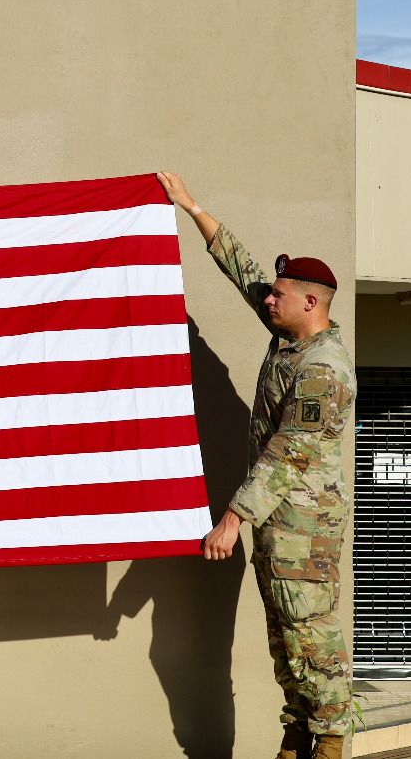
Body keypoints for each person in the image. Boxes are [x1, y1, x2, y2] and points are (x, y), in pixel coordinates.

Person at [159, 172, 354, 759]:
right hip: (280, 525)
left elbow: (289, 450)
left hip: (304, 529)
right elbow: (244, 271)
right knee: (284, 639)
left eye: (280, 294)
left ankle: (332, 742)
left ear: (311, 302)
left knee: (310, 639)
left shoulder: (322, 367)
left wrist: (233, 519)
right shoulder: (287, 337)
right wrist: (195, 210)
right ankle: (298, 734)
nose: (268, 299)